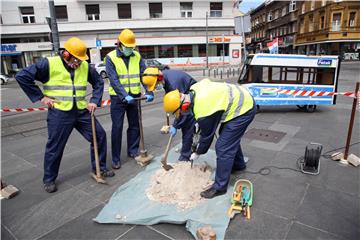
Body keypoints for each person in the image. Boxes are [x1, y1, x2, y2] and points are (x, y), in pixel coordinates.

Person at [15, 37, 114, 193]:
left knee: (99, 136)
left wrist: (95, 101)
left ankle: (99, 168)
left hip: (82, 111)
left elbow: (98, 83)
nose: (79, 63)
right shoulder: (49, 63)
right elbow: (22, 76)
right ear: (66, 54)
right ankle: (49, 179)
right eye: (77, 59)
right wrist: (41, 97)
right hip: (60, 113)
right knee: (55, 146)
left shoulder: (85, 66)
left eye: (81, 60)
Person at [163, 79, 256, 199]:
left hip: (244, 108)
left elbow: (207, 136)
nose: (181, 114)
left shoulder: (204, 109)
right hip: (240, 97)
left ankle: (219, 187)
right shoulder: (193, 90)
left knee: (223, 146)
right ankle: (239, 164)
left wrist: (198, 152)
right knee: (227, 136)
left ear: (184, 104)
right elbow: (202, 123)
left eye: (180, 111)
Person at [105, 28, 153, 169]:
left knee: (135, 125)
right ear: (120, 44)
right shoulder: (110, 57)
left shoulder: (137, 56)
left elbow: (143, 75)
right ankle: (115, 158)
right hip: (118, 98)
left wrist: (148, 90)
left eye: (132, 47)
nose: (130, 49)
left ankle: (132, 151)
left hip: (135, 96)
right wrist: (123, 95)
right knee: (117, 127)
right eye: (128, 47)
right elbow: (113, 79)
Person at [142, 67, 197, 161]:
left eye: (155, 85)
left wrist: (175, 125)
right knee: (185, 125)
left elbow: (181, 108)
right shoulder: (165, 77)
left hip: (193, 98)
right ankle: (187, 148)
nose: (155, 88)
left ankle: (185, 156)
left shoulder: (174, 83)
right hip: (186, 97)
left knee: (187, 127)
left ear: (159, 78)